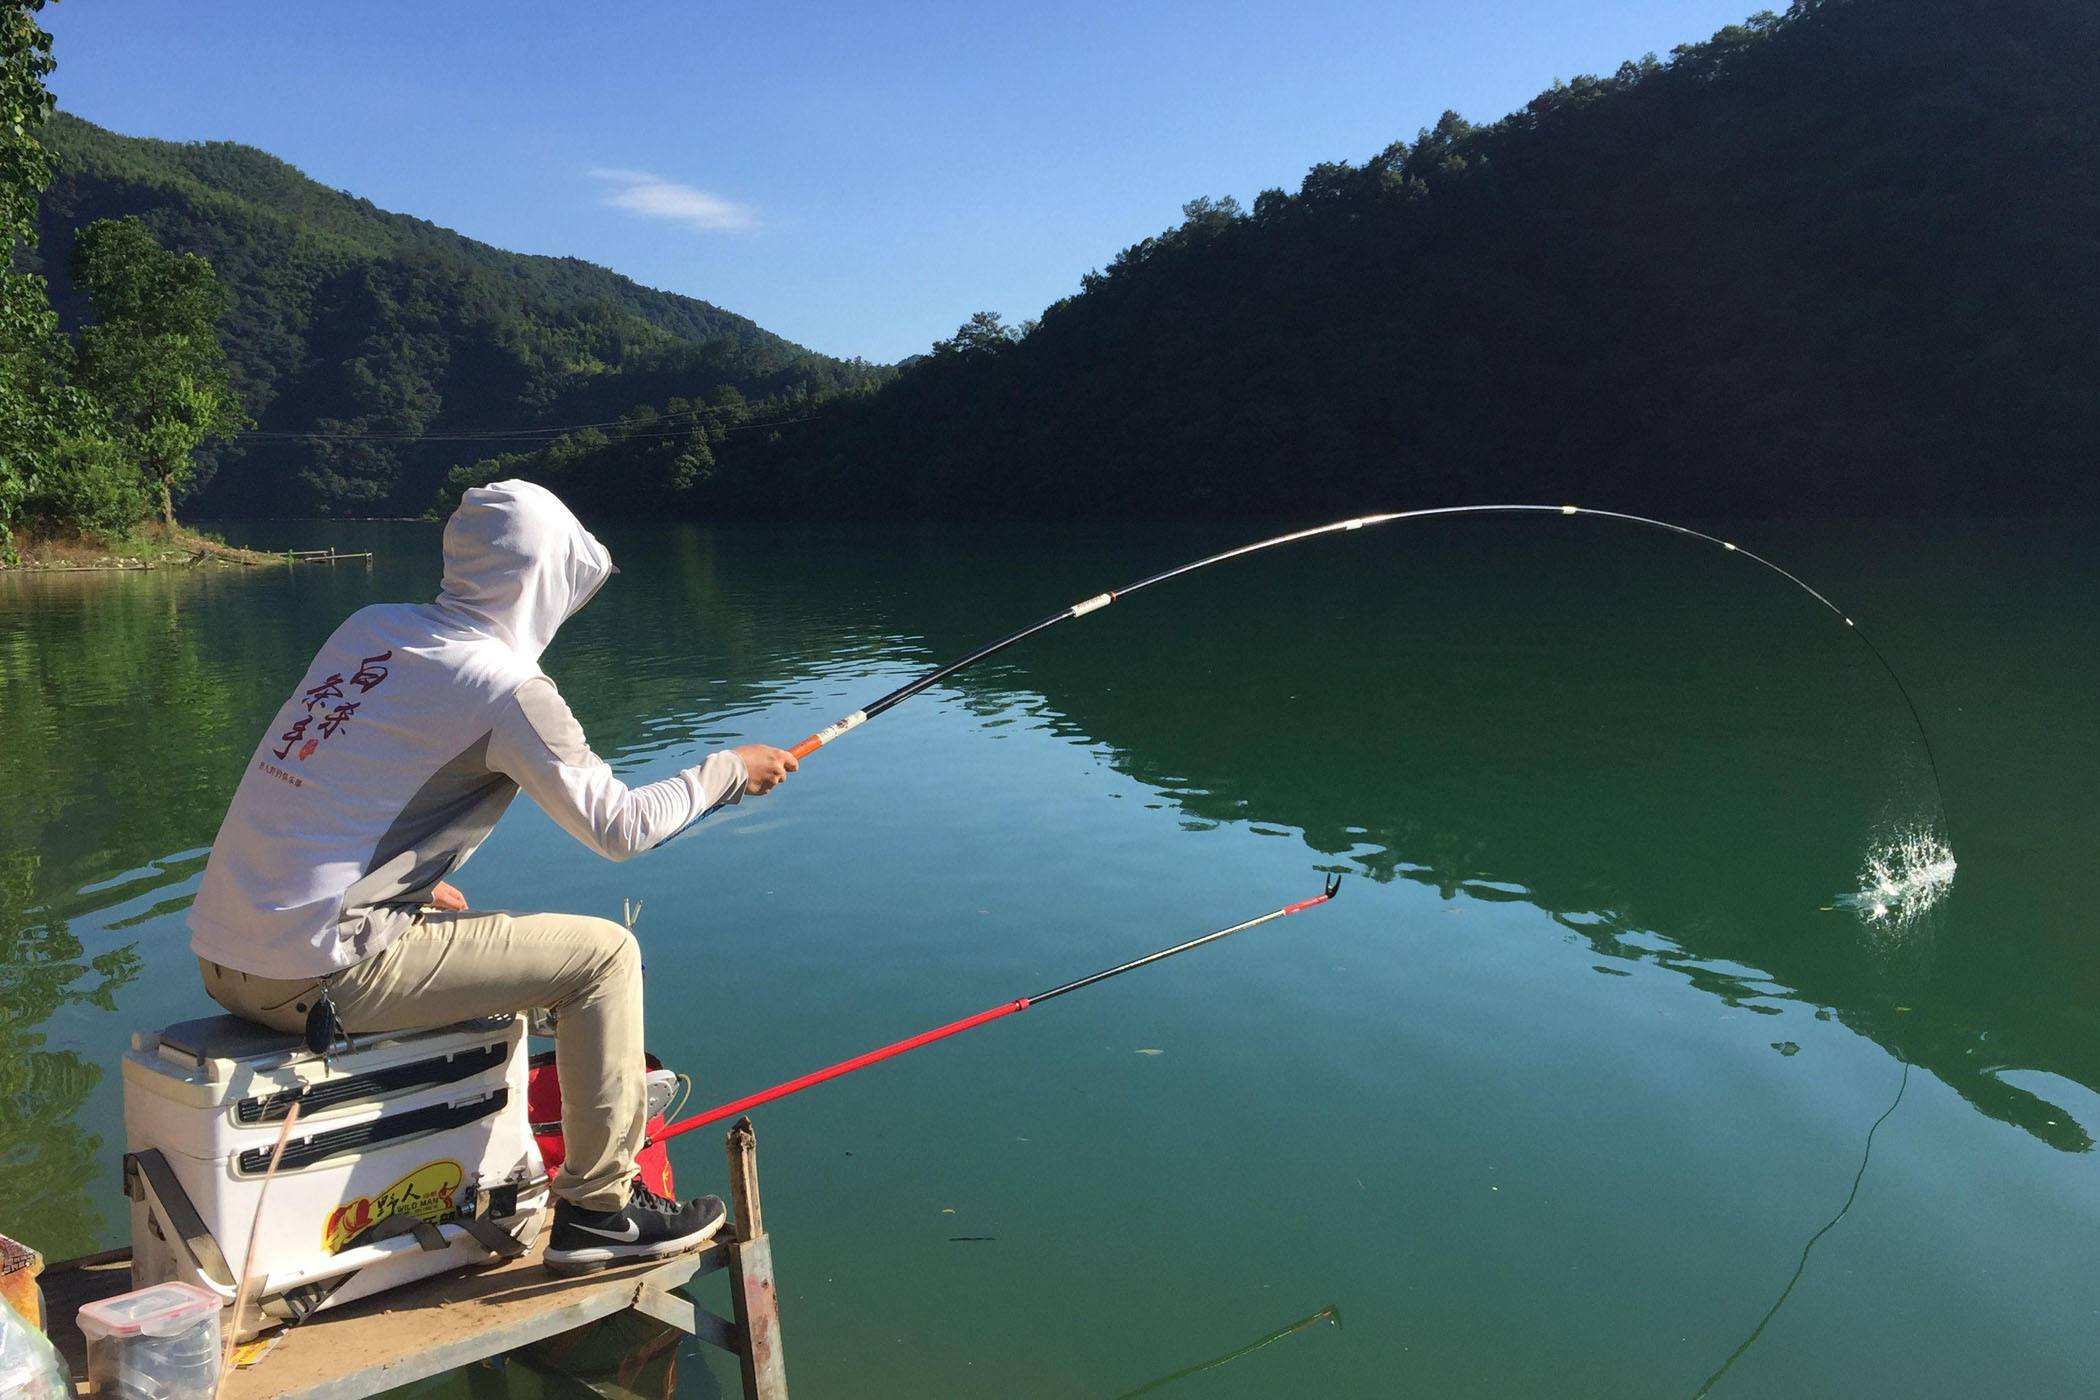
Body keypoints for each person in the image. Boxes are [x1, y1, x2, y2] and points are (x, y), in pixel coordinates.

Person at [187, 480, 797, 1274]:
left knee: (492, 934)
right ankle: (600, 1209)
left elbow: (336, 786)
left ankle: (489, 1162)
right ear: (546, 578)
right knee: (603, 956)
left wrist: (400, 879)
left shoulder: (370, 630)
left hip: (225, 957)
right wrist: (727, 770)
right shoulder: (509, 688)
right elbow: (621, 828)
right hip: (318, 969)